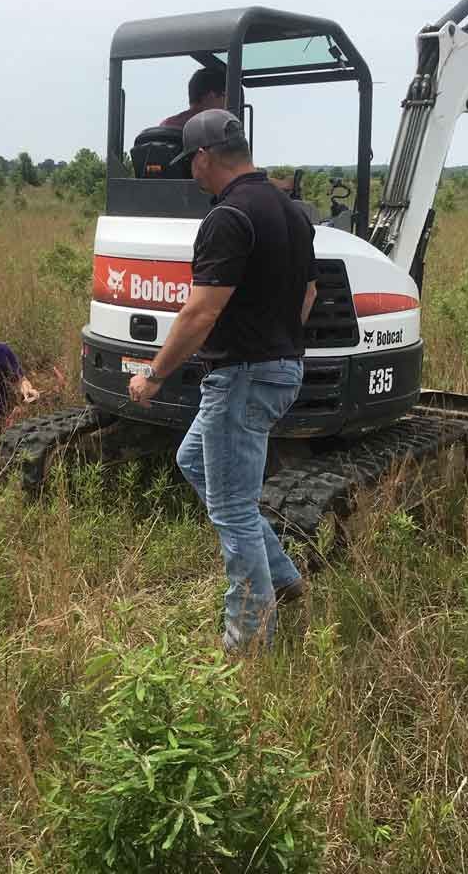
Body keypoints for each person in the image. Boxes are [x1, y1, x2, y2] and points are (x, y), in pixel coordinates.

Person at [127, 109, 318, 652]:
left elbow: (199, 314)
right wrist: (277, 342)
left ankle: (249, 644)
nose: (194, 175)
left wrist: (153, 375)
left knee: (232, 509)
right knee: (192, 461)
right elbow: (306, 295)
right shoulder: (292, 209)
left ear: (206, 158)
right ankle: (281, 575)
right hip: (281, 368)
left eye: (193, 164)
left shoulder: (228, 216)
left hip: (241, 376)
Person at [160, 67, 228, 129]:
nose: (227, 104)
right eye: (224, 96)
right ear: (211, 96)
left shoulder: (166, 124)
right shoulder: (214, 131)